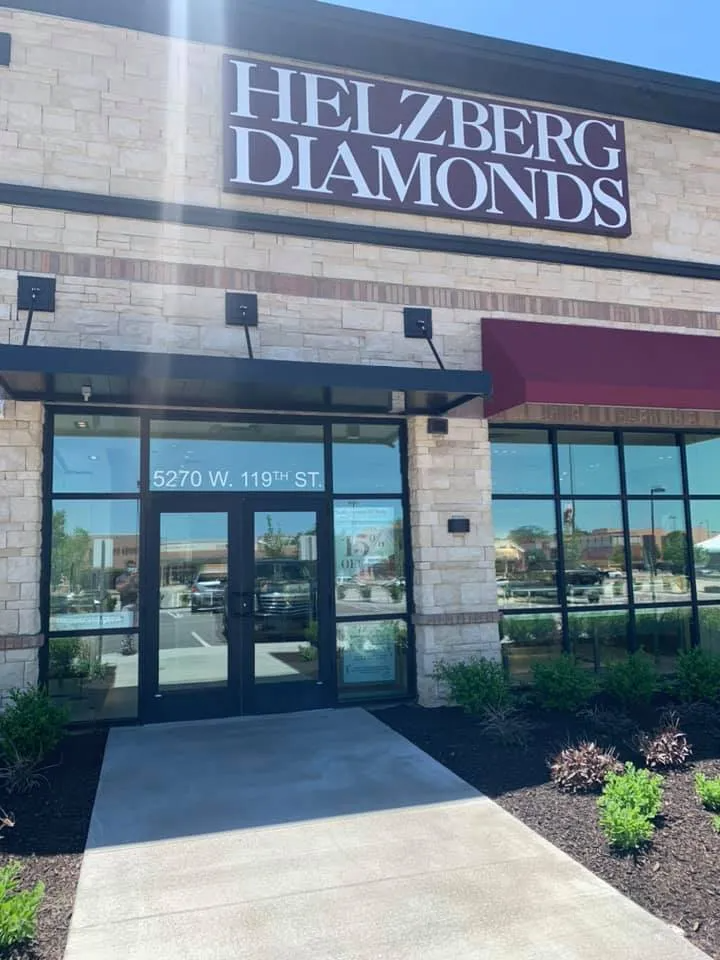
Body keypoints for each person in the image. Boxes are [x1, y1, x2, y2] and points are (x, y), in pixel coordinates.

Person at [115, 560, 139, 656]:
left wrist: (136, 580)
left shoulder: (137, 577)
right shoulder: (121, 578)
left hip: (135, 605)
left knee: (133, 628)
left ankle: (131, 647)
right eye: (130, 566)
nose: (132, 568)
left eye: (134, 566)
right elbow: (119, 588)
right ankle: (125, 648)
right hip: (125, 605)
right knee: (126, 627)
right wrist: (129, 581)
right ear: (126, 567)